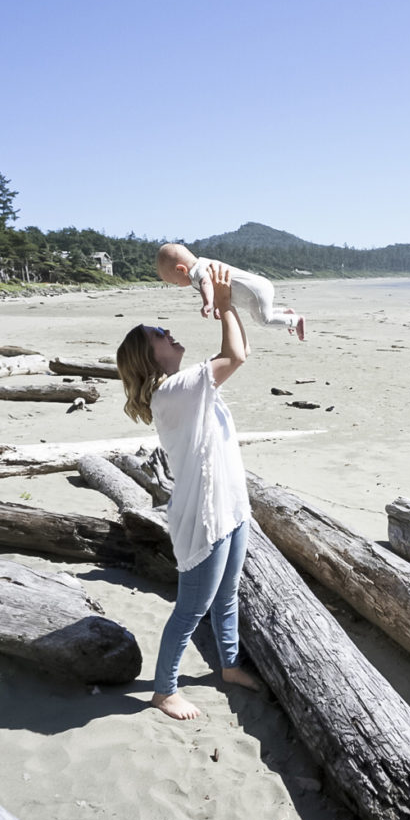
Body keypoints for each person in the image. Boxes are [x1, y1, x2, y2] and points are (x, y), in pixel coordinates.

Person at [116, 262, 260, 720]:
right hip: (204, 516)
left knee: (228, 592)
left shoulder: (188, 387)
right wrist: (222, 304)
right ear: (149, 355)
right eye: (159, 331)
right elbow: (236, 356)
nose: (168, 330)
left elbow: (241, 348)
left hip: (231, 505)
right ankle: (164, 690)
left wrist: (226, 304)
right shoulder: (174, 391)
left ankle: (230, 664)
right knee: (191, 609)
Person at [157, 242, 306, 341]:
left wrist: (207, 303)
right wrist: (217, 306)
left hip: (254, 290)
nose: (178, 285)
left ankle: (296, 321)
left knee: (264, 321)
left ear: (181, 269)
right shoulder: (199, 269)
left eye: (175, 282)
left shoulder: (199, 270)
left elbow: (207, 283)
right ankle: (286, 313)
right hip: (256, 289)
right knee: (258, 316)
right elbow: (216, 288)